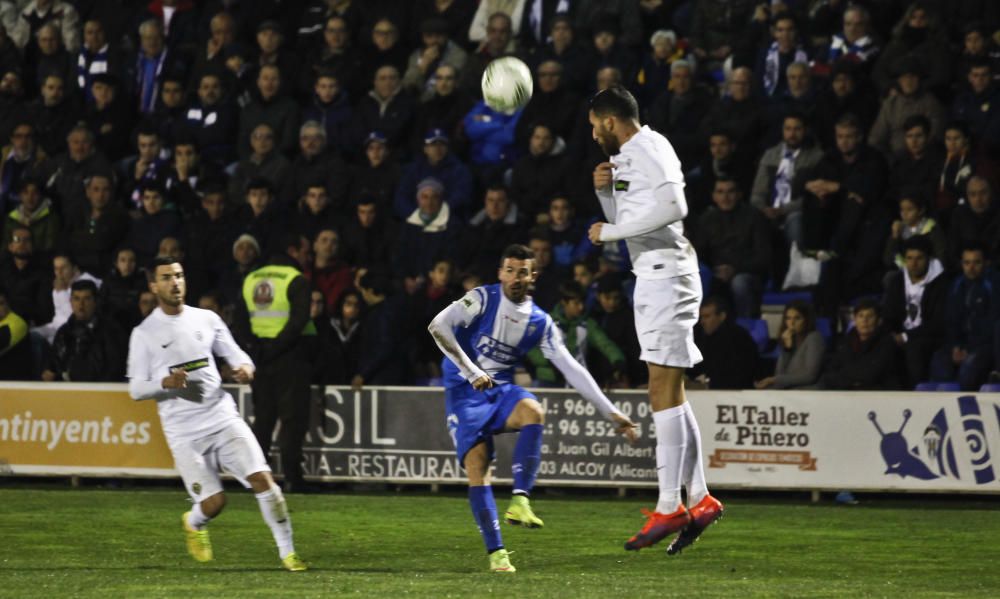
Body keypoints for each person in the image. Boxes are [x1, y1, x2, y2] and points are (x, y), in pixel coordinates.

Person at [427, 244, 637, 573]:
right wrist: (471, 371)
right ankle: (497, 554)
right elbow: (438, 326)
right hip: (463, 391)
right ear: (500, 273)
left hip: (500, 389)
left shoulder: (539, 322)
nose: (514, 277)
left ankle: (520, 501)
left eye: (522, 272)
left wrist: (611, 413)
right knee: (478, 469)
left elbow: (572, 369)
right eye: (509, 270)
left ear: (532, 276)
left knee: (533, 411)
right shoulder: (481, 299)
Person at [586, 86, 723, 555]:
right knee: (673, 394)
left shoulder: (649, 146)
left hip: (667, 274)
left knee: (660, 391)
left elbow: (675, 208)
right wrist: (606, 197)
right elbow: (630, 221)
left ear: (608, 121)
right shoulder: (628, 156)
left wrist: (612, 229)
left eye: (593, 125)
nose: (592, 134)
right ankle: (700, 499)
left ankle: (669, 505)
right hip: (654, 273)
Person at [127, 257, 306, 571]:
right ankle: (194, 523)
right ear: (154, 286)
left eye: (179, 275)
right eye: (166, 277)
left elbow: (238, 356)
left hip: (221, 417)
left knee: (266, 483)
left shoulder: (206, 319)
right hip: (184, 432)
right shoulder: (144, 333)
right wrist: (165, 383)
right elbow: (136, 389)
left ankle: (288, 554)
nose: (175, 282)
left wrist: (245, 369)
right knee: (214, 503)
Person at [239, 233, 315, 494]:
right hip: (289, 357)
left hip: (260, 358)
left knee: (263, 420)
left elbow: (239, 322)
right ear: (292, 253)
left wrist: (256, 350)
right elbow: (299, 321)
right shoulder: (296, 280)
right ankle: (293, 477)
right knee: (292, 421)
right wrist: (276, 348)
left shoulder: (250, 279)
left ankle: (258, 479)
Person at [930, 244, 1000, 390]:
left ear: (987, 263)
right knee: (939, 360)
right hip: (962, 344)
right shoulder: (957, 285)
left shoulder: (994, 284)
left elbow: (993, 321)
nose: (971, 267)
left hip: (985, 345)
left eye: (976, 262)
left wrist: (969, 348)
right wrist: (956, 346)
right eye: (966, 263)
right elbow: (951, 320)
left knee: (970, 367)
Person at [42, 279, 125, 382]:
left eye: (86, 299)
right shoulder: (63, 332)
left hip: (99, 391)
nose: (81, 304)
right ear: (71, 302)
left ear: (95, 301)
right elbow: (51, 367)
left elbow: (115, 369)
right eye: (76, 298)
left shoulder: (111, 331)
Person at [820, 299, 900, 390]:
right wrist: (851, 381)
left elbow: (871, 375)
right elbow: (831, 372)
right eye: (860, 316)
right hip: (848, 393)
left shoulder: (887, 342)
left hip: (878, 396)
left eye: (870, 316)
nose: (864, 320)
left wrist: (847, 377)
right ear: (854, 319)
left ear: (879, 321)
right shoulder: (846, 342)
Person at [687, 296, 759, 390]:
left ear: (722, 316)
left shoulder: (738, 337)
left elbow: (742, 372)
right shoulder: (701, 337)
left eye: (707, 316)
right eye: (701, 317)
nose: (703, 321)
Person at [755, 300, 825, 390]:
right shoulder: (789, 339)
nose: (791, 323)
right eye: (788, 318)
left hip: (809, 392)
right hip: (790, 392)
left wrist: (773, 380)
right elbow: (780, 374)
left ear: (807, 320)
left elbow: (810, 376)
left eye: (797, 318)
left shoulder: (814, 338)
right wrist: (787, 349)